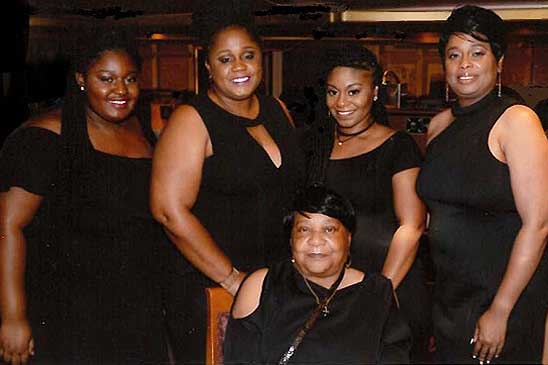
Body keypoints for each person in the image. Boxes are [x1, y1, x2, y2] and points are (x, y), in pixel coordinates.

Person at [0, 29, 168, 364]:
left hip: (136, 308)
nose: (120, 90)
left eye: (130, 79)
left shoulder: (147, 133)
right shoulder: (47, 137)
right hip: (67, 311)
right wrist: (13, 317)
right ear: (81, 79)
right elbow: (7, 227)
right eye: (105, 78)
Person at [150, 6, 305, 362]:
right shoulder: (192, 119)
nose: (239, 67)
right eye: (225, 59)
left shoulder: (276, 109)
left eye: (247, 56)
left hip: (273, 282)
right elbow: (169, 212)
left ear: (261, 60)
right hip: (212, 285)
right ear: (207, 66)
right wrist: (233, 279)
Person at [416, 5, 548, 364]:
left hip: (502, 297)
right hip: (449, 297)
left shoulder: (516, 121)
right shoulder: (439, 126)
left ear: (499, 61)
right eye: (454, 55)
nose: (465, 65)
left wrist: (500, 310)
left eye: (478, 53)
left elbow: (538, 225)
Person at [304, 43, 430, 361]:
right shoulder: (316, 146)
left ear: (374, 92)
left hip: (390, 284)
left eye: (353, 91)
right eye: (333, 92)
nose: (341, 103)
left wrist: (379, 294)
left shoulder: (398, 146)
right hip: (333, 286)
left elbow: (412, 226)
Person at [223, 184, 411, 364]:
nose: (316, 241)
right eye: (304, 229)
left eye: (329, 229)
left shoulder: (377, 293)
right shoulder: (262, 286)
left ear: (348, 238)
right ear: (291, 240)